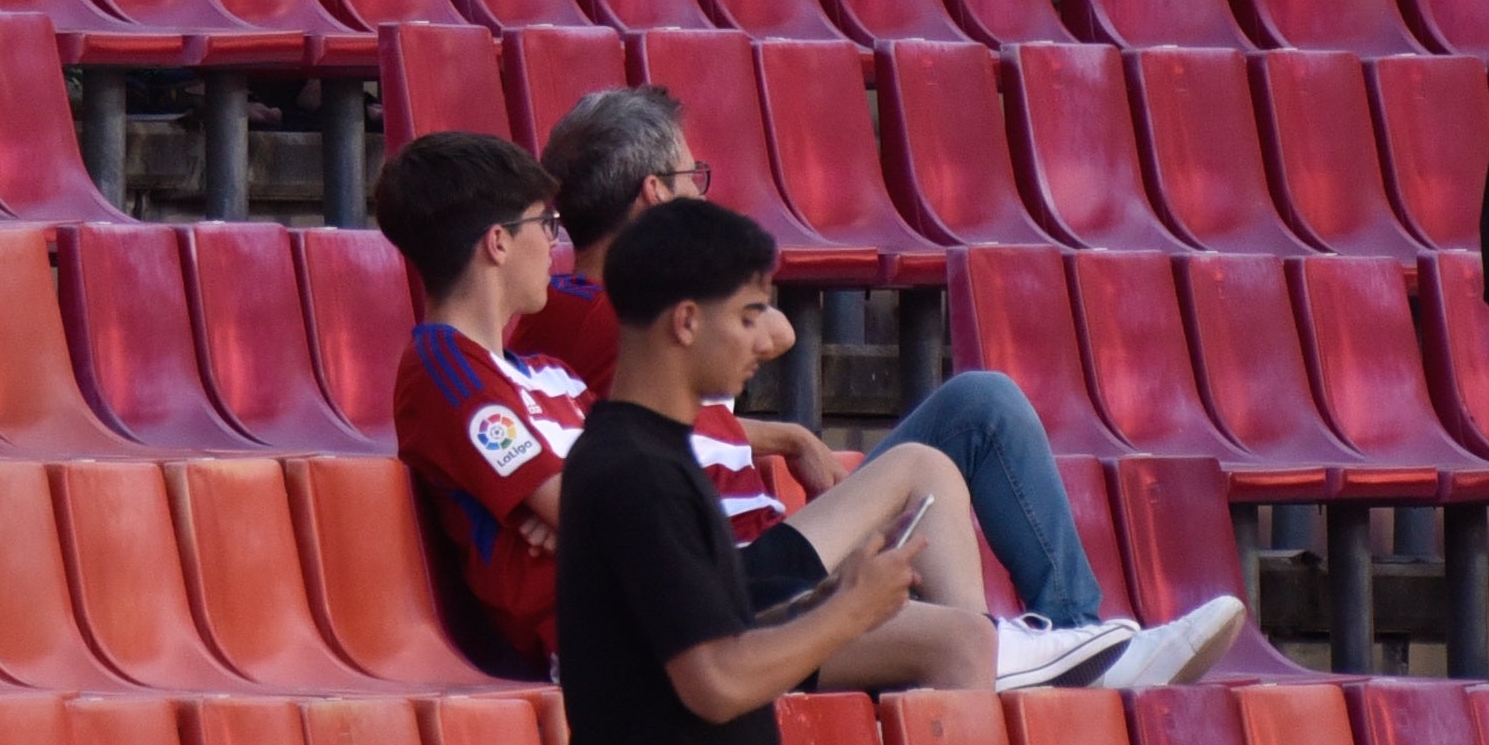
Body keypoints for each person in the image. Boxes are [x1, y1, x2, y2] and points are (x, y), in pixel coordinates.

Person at [531, 86, 1248, 690]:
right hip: (737, 576)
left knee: (979, 407)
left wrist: (784, 433)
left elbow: (619, 420)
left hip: (769, 545)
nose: (705, 197)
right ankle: (1036, 651)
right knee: (930, 459)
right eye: (695, 180)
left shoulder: (599, 313)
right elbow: (768, 332)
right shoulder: (618, 313)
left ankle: (1063, 639)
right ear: (654, 196)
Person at [376, 130, 1134, 693]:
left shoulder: (537, 369)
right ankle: (1023, 653)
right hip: (635, 628)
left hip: (707, 578)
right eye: (547, 226)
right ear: (498, 244)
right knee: (958, 642)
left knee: (923, 467)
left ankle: (1025, 650)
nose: (558, 244)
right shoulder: (444, 364)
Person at [558, 197, 915, 745]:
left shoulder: (650, 455)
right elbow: (716, 682)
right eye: (747, 317)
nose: (762, 342)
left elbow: (703, 640)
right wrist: (850, 613)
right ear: (688, 321)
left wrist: (823, 603)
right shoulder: (637, 472)